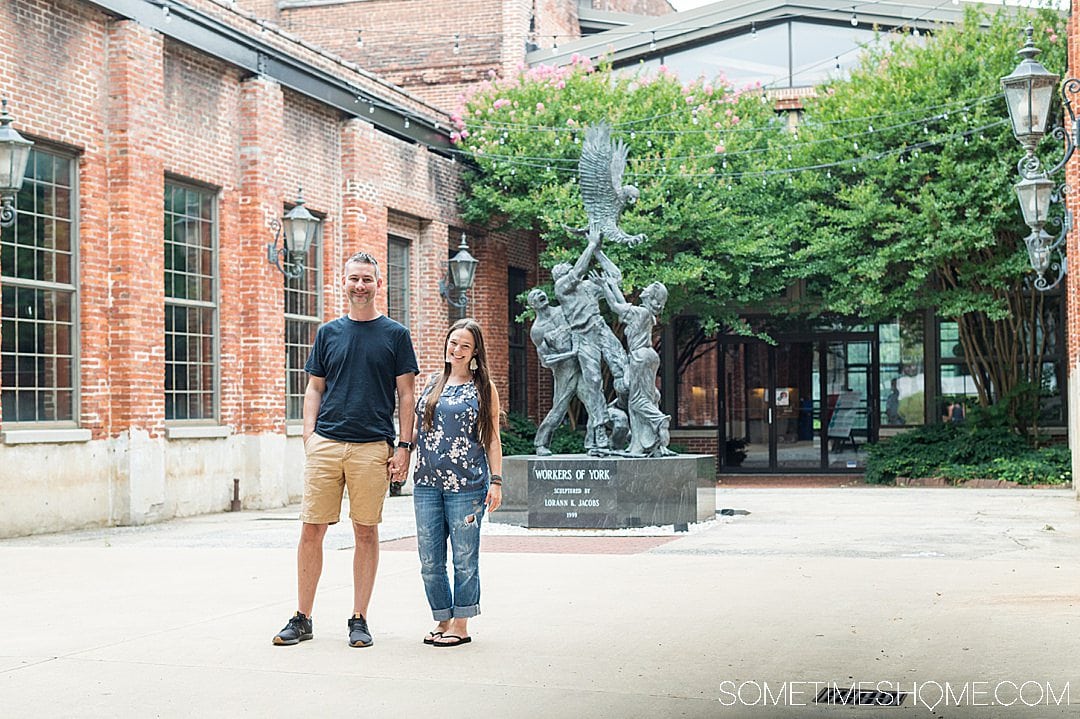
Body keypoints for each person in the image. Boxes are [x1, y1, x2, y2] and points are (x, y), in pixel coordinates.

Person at [273, 252, 419, 649]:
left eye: (367, 279)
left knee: (366, 531)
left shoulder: (395, 335)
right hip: (326, 443)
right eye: (354, 278)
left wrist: (404, 446)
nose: (360, 285)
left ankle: (359, 618)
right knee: (311, 530)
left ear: (378, 284)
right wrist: (308, 435)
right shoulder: (328, 333)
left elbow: (407, 395)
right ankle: (302, 617)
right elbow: (314, 388)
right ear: (344, 282)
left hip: (372, 446)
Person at [412, 318, 503, 648]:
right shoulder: (433, 383)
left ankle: (461, 624)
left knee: (464, 558)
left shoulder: (483, 389)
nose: (457, 349)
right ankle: (442, 618)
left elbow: (492, 438)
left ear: (475, 351)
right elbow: (416, 429)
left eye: (465, 345)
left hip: (466, 486)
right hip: (426, 483)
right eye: (453, 343)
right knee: (429, 560)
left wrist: (496, 481)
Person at [552, 228, 627, 455]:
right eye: (564, 271)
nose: (570, 272)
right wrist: (591, 245)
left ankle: (626, 412)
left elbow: (616, 278)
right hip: (582, 336)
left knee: (623, 370)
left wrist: (599, 253)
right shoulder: (563, 288)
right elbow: (577, 271)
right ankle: (599, 429)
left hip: (601, 329)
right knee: (594, 380)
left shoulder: (587, 286)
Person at [591, 269, 672, 457]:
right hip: (648, 356)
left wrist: (604, 286)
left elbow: (616, 306)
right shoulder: (645, 314)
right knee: (648, 396)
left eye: (650, 289)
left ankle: (659, 420)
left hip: (640, 357)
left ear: (651, 297)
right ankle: (640, 445)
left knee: (636, 401)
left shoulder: (641, 313)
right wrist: (611, 284)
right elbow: (623, 304)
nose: (645, 288)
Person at [527, 288, 584, 455]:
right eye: (535, 296)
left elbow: (578, 329)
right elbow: (545, 360)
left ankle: (597, 442)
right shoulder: (537, 330)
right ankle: (541, 442)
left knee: (592, 399)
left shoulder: (562, 310)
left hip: (582, 363)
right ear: (533, 305)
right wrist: (566, 356)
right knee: (560, 407)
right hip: (564, 370)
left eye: (540, 293)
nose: (539, 295)